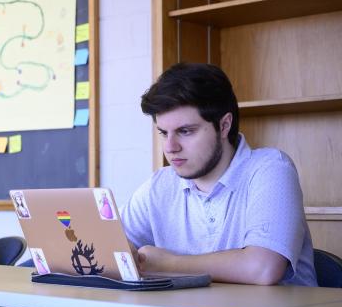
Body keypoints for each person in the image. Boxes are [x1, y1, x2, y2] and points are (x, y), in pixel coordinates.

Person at [121, 63, 317, 286]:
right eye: (163, 133)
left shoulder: (270, 168)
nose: (170, 147)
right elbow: (109, 245)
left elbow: (263, 268)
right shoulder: (159, 185)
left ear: (224, 126)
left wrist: (166, 264)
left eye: (185, 131)